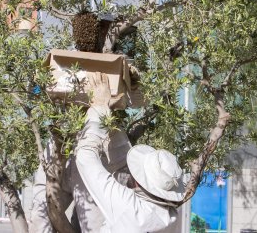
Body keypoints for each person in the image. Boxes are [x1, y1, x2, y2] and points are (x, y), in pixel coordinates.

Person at [75, 72, 185, 232]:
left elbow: (85, 158)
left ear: (138, 182)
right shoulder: (171, 216)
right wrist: (109, 117)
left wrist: (99, 108)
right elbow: (123, 164)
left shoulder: (129, 207)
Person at [29, 98, 132, 232]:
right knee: (39, 218)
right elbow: (39, 87)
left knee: (95, 226)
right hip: (63, 135)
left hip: (104, 144)